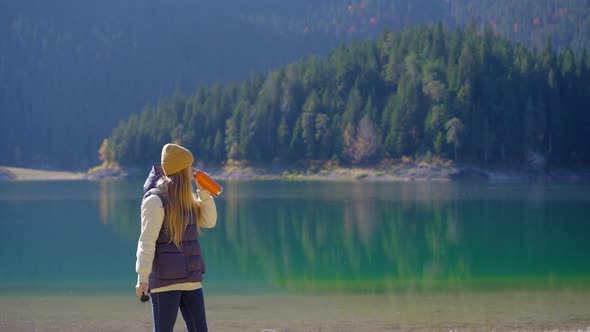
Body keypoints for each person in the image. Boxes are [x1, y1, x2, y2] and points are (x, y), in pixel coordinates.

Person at [135, 143, 217, 332]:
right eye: (190, 166)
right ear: (181, 170)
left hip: (191, 279)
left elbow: (209, 221)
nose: (194, 170)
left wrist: (204, 193)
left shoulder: (187, 199)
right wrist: (142, 277)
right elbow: (146, 241)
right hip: (164, 282)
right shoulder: (155, 201)